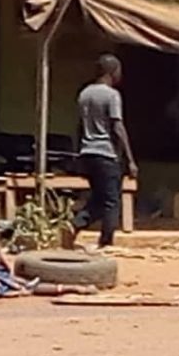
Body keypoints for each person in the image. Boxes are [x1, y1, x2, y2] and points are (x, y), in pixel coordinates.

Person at [72, 54, 138, 249]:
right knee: (111, 201)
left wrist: (78, 152)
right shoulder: (111, 95)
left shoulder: (84, 93)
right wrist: (130, 159)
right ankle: (106, 241)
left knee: (99, 197)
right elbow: (117, 127)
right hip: (105, 153)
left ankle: (75, 224)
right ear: (112, 72)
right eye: (119, 71)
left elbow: (79, 126)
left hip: (87, 153)